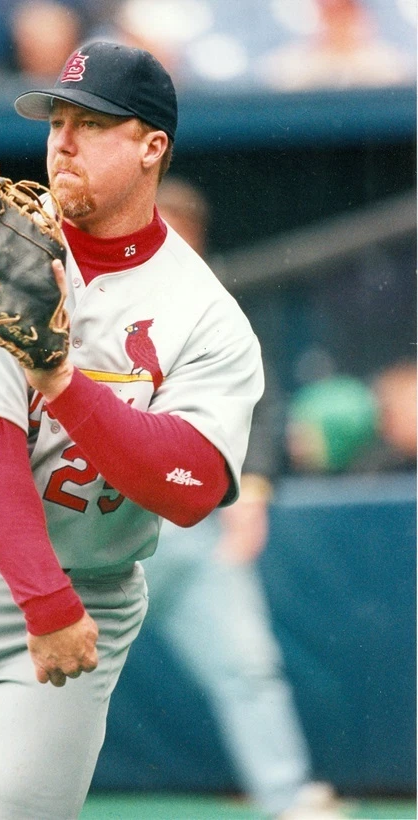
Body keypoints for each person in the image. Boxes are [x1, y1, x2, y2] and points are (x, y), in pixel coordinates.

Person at [0, 41, 263, 819]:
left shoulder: (206, 314)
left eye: (93, 123)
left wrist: (62, 383)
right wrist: (44, 602)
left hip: (88, 593)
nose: (63, 138)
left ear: (151, 145)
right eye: (56, 118)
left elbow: (190, 487)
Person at [149, 175, 344, 819]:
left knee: (248, 666)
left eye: (185, 232)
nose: (173, 242)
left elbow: (260, 406)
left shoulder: (217, 309)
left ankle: (287, 798)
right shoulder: (90, 297)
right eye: (160, 225)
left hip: (194, 527)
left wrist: (252, 493)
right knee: (53, 672)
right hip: (103, 522)